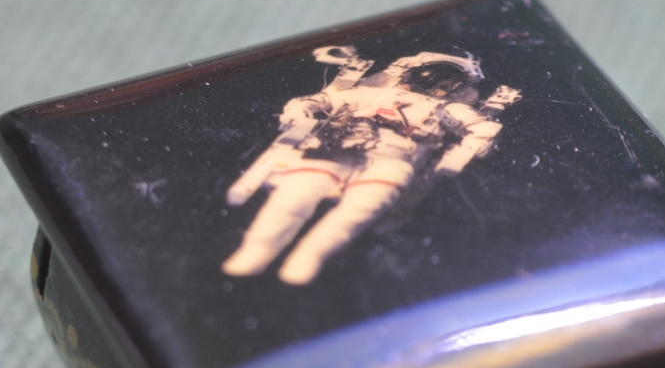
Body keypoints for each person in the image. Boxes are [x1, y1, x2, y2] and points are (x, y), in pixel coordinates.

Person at [221, 46, 520, 285]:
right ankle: (258, 249)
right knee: (298, 194)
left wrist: (471, 148)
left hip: (395, 158)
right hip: (341, 147)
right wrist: (301, 115)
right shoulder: (373, 93)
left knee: (361, 209)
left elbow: (483, 129)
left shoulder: (447, 109)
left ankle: (311, 254)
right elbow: (317, 100)